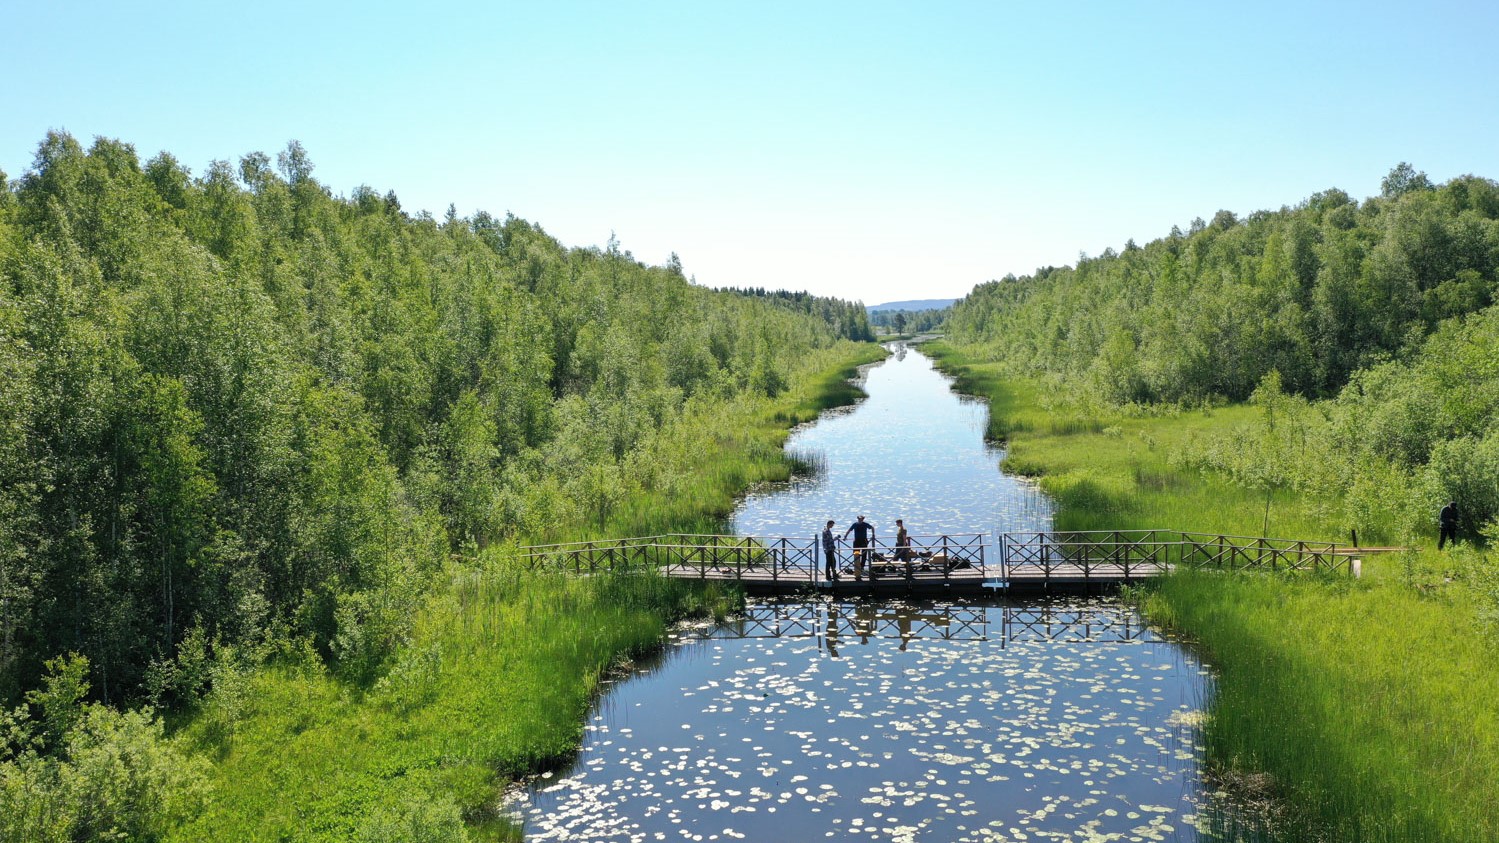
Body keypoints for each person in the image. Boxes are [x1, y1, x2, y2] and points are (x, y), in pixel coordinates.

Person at [843, 515, 875, 580]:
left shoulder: (865, 524)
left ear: (863, 519)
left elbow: (872, 527)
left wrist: (873, 534)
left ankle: (862, 566)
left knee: (864, 554)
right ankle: (857, 567)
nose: (860, 520)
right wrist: (845, 536)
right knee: (856, 554)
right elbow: (849, 530)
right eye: (859, 518)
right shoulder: (855, 524)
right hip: (857, 541)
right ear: (857, 519)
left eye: (862, 519)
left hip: (863, 540)